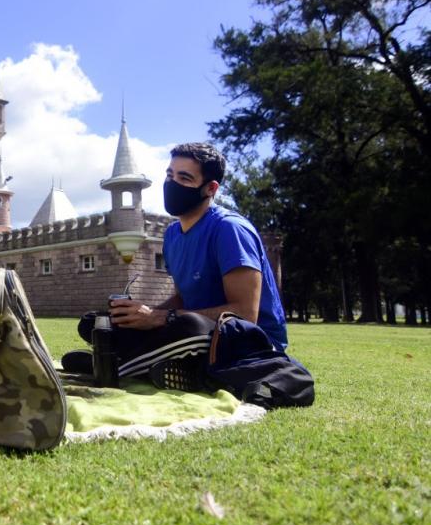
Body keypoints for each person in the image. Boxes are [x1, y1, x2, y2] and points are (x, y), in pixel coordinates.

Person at [66, 142, 288, 390]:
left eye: (185, 178)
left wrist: (160, 318)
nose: (172, 184)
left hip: (246, 343)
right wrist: (142, 315)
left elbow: (246, 315)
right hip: (193, 330)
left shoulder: (229, 229)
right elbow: (184, 299)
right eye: (170, 175)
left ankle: (114, 366)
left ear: (210, 188)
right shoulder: (173, 235)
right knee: (97, 322)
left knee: (189, 325)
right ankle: (166, 366)